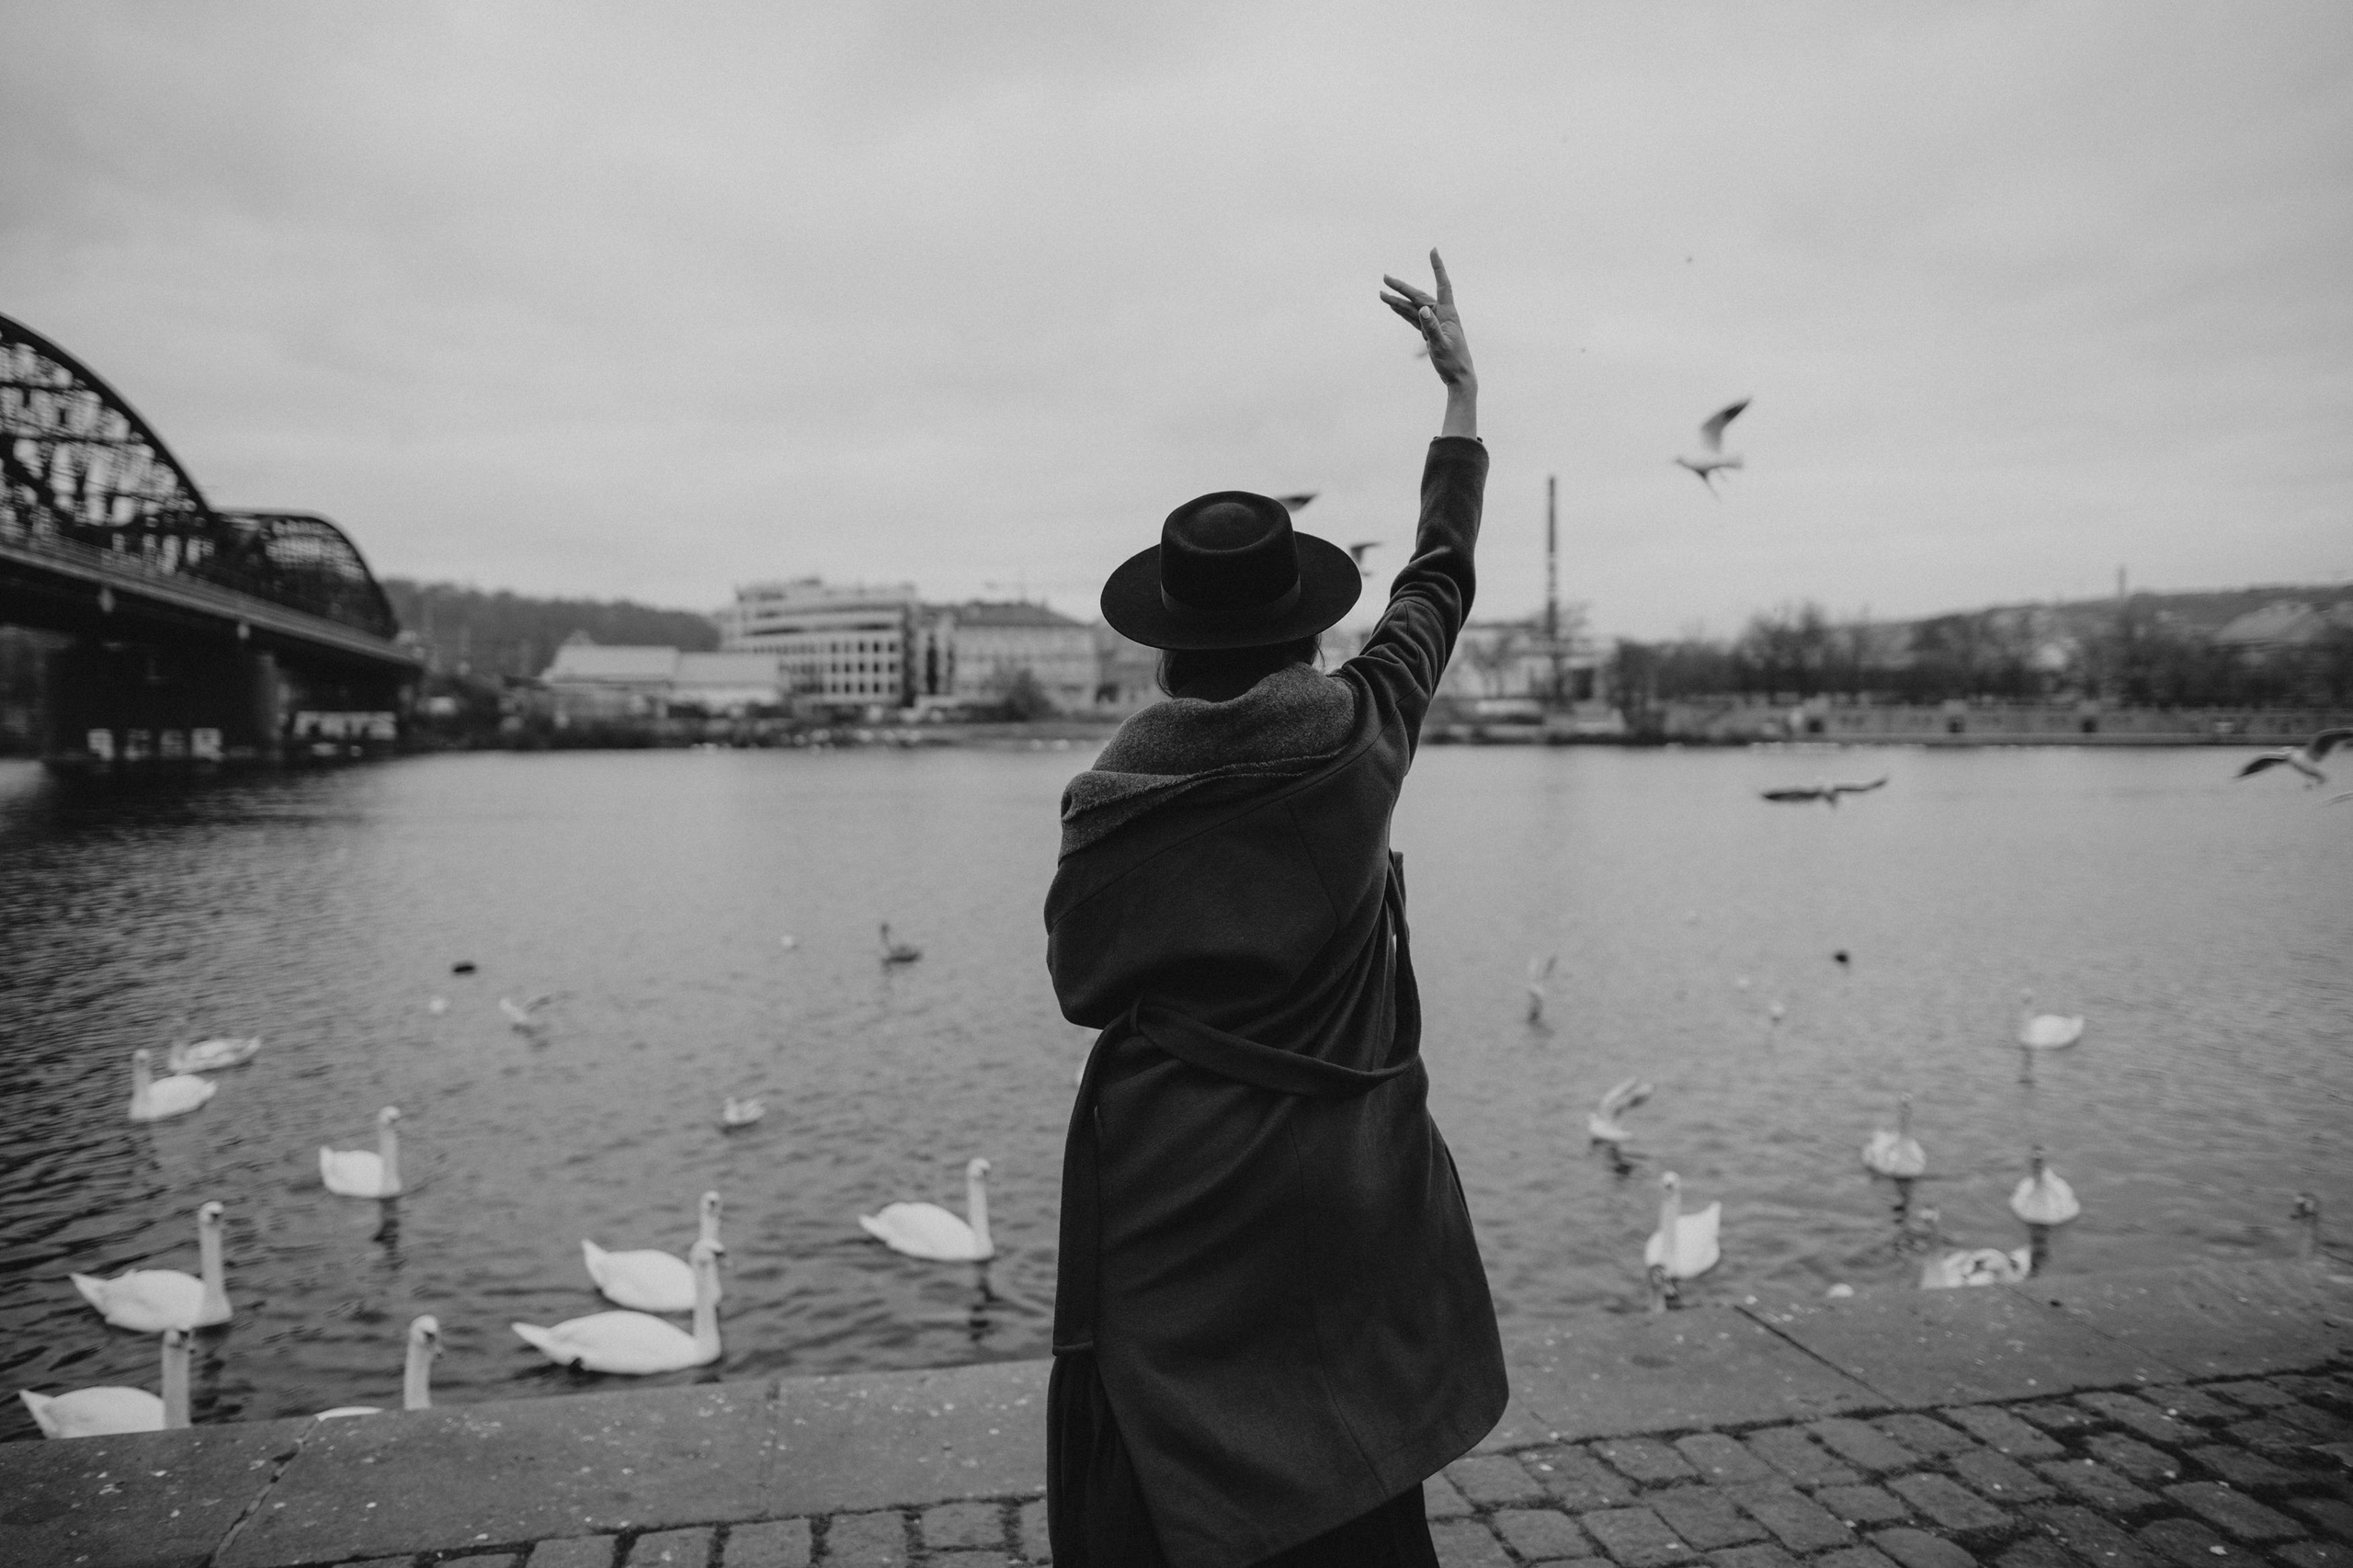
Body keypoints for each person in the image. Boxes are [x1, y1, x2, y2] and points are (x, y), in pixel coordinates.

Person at [1044, 252, 1506, 1568]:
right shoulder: (1363, 730)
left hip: (1179, 1180)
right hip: (1343, 1175)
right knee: (1352, 1437)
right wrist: (1460, 398)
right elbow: (1439, 575)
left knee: (1180, 1456)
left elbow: (1082, 987)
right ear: (1306, 634)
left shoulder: (1107, 797)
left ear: (1169, 648)